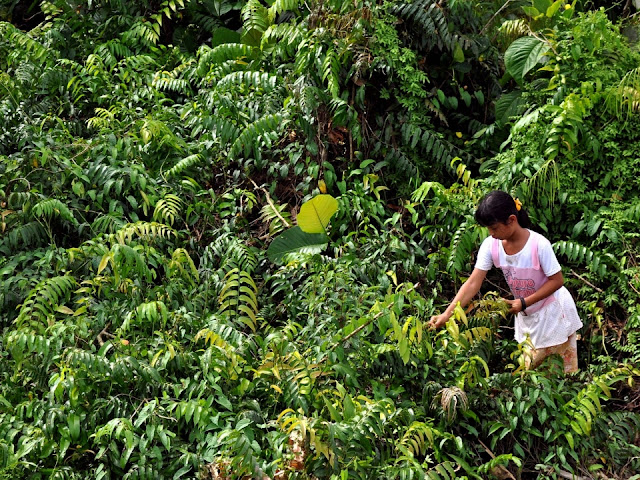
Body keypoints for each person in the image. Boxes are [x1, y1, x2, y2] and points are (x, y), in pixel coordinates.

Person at [427, 191, 583, 373]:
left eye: (494, 228)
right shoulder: (491, 246)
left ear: (511, 220)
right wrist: (447, 315)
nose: (491, 234)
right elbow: (472, 283)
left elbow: (557, 281)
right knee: (533, 375)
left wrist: (523, 302)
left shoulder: (539, 245)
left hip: (553, 313)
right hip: (529, 315)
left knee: (556, 374)